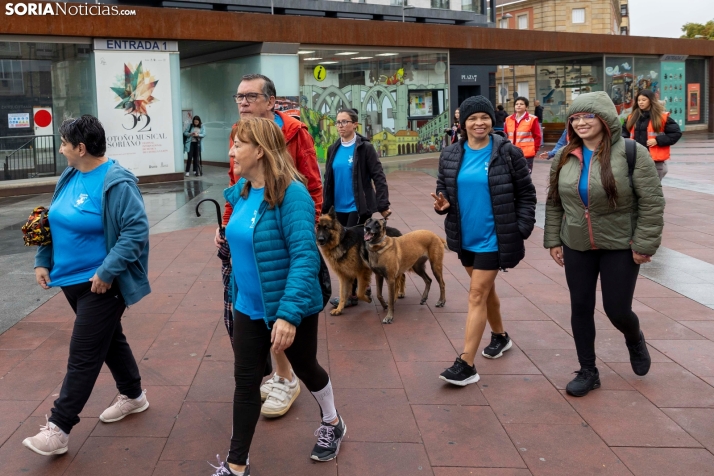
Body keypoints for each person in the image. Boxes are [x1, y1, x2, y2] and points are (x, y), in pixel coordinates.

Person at [211, 118, 345, 476]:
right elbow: (245, 237)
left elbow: (304, 256)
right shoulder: (241, 189)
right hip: (248, 306)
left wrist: (287, 315)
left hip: (291, 305)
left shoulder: (293, 194)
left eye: (238, 144)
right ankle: (236, 464)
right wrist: (226, 240)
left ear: (260, 151)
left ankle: (332, 422)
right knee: (245, 382)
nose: (231, 151)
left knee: (305, 369)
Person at [24, 115, 151, 456]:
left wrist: (107, 271)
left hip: (101, 285)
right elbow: (52, 219)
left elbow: (136, 231)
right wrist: (42, 259)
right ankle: (134, 396)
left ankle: (59, 428)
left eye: (65, 143)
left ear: (81, 147)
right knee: (109, 342)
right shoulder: (70, 174)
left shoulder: (116, 182)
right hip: (69, 281)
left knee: (83, 355)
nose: (62, 149)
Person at [215, 73, 323, 420]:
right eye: (239, 96)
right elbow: (238, 183)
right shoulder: (239, 134)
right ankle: (280, 374)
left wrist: (304, 226)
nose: (242, 102)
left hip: (285, 229)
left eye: (250, 96)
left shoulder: (294, 133)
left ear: (270, 101)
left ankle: (289, 378)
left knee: (281, 304)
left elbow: (311, 185)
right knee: (255, 301)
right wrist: (228, 224)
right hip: (249, 231)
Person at [544, 91, 665, 397]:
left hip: (620, 244)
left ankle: (634, 337)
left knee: (617, 309)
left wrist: (644, 244)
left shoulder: (631, 152)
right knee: (581, 306)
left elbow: (651, 203)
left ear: (604, 118)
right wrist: (553, 239)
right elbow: (555, 202)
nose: (580, 122)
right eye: (575, 118)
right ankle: (588, 370)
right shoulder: (564, 156)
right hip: (576, 243)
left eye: (587, 116)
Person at [431, 96, 537, 386]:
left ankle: (466, 363)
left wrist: (520, 229)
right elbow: (444, 186)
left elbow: (527, 195)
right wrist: (443, 204)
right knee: (486, 290)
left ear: (492, 120)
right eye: (472, 118)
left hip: (495, 237)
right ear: (462, 123)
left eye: (484, 117)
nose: (479, 123)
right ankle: (500, 336)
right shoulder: (451, 153)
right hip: (466, 237)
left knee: (476, 294)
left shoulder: (508, 153)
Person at [322, 108, 391, 309]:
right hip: (338, 209)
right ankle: (356, 289)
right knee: (342, 251)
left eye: (345, 122)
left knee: (353, 251)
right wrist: (326, 208)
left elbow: (378, 176)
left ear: (355, 125)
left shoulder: (364, 148)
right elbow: (329, 180)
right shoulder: (333, 148)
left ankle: (355, 292)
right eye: (338, 122)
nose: (341, 126)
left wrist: (383, 204)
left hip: (358, 208)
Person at [622, 89, 681, 181]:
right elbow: (623, 132)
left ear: (651, 100)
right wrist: (626, 140)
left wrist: (657, 140)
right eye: (639, 100)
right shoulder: (632, 117)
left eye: (644, 100)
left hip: (655, 159)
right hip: (635, 158)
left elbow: (676, 133)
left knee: (652, 188)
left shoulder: (662, 117)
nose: (640, 102)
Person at [504, 96, 542, 174]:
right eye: (516, 104)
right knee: (511, 176)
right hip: (511, 153)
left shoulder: (532, 119)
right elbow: (504, 136)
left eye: (521, 104)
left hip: (526, 154)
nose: (518, 105)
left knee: (525, 177)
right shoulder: (508, 119)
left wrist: (535, 151)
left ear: (526, 107)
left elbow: (537, 136)